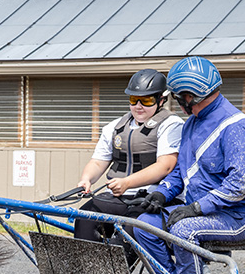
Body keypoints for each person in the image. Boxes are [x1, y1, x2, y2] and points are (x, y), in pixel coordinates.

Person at [134, 56, 245, 274]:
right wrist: (161, 193)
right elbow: (181, 171)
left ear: (193, 95)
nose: (177, 102)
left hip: (235, 216)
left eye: (180, 96)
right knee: (144, 225)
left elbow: (239, 185)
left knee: (182, 229)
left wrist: (195, 207)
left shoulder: (236, 126)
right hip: (197, 210)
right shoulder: (192, 122)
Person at [73, 69, 184, 258]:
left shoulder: (171, 124)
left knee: (131, 230)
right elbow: (99, 161)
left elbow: (165, 165)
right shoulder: (115, 126)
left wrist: (126, 183)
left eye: (147, 101)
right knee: (85, 215)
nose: (139, 106)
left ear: (161, 100)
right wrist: (86, 179)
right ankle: (85, 273)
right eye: (134, 100)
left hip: (152, 200)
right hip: (119, 197)